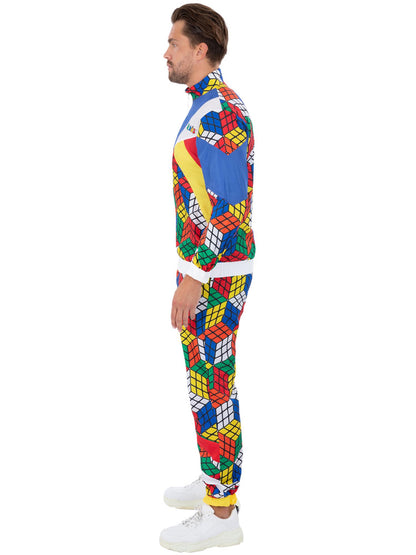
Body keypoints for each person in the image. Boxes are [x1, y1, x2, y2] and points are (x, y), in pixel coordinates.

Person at [160, 3, 255, 551]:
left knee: (213, 384)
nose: (165, 52)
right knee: (205, 383)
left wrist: (195, 275)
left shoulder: (221, 112)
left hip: (215, 272)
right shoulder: (206, 106)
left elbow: (228, 206)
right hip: (206, 267)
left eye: (174, 42)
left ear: (200, 49)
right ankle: (213, 475)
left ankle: (222, 512)